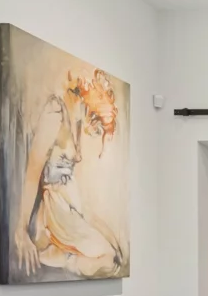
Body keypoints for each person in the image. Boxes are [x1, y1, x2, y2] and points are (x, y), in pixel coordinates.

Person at [12, 70, 124, 279]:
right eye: (99, 97)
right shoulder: (55, 111)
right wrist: (21, 229)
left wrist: (89, 130)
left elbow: (75, 156)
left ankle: (64, 255)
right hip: (55, 209)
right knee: (109, 259)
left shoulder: (78, 115)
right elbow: (33, 171)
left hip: (71, 208)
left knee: (116, 256)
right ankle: (57, 256)